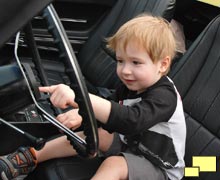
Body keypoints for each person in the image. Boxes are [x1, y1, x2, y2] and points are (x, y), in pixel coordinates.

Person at [0, 14, 186, 180]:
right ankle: (29, 157)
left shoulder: (165, 96)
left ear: (162, 65)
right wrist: (83, 114)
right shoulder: (132, 86)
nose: (125, 70)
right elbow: (112, 107)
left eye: (136, 62)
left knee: (114, 164)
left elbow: (132, 120)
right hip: (131, 144)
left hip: (159, 166)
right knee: (91, 134)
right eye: (120, 61)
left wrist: (81, 98)